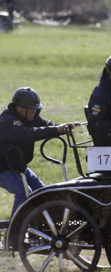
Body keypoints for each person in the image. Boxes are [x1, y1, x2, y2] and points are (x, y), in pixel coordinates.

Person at [0, 87, 76, 217]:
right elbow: (28, 134)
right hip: (2, 168)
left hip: (17, 165)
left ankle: (44, 227)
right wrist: (56, 130)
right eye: (31, 110)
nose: (34, 113)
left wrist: (63, 127)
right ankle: (13, 233)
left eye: (35, 109)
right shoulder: (7, 121)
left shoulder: (29, 116)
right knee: (23, 193)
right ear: (20, 108)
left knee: (42, 191)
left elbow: (46, 124)